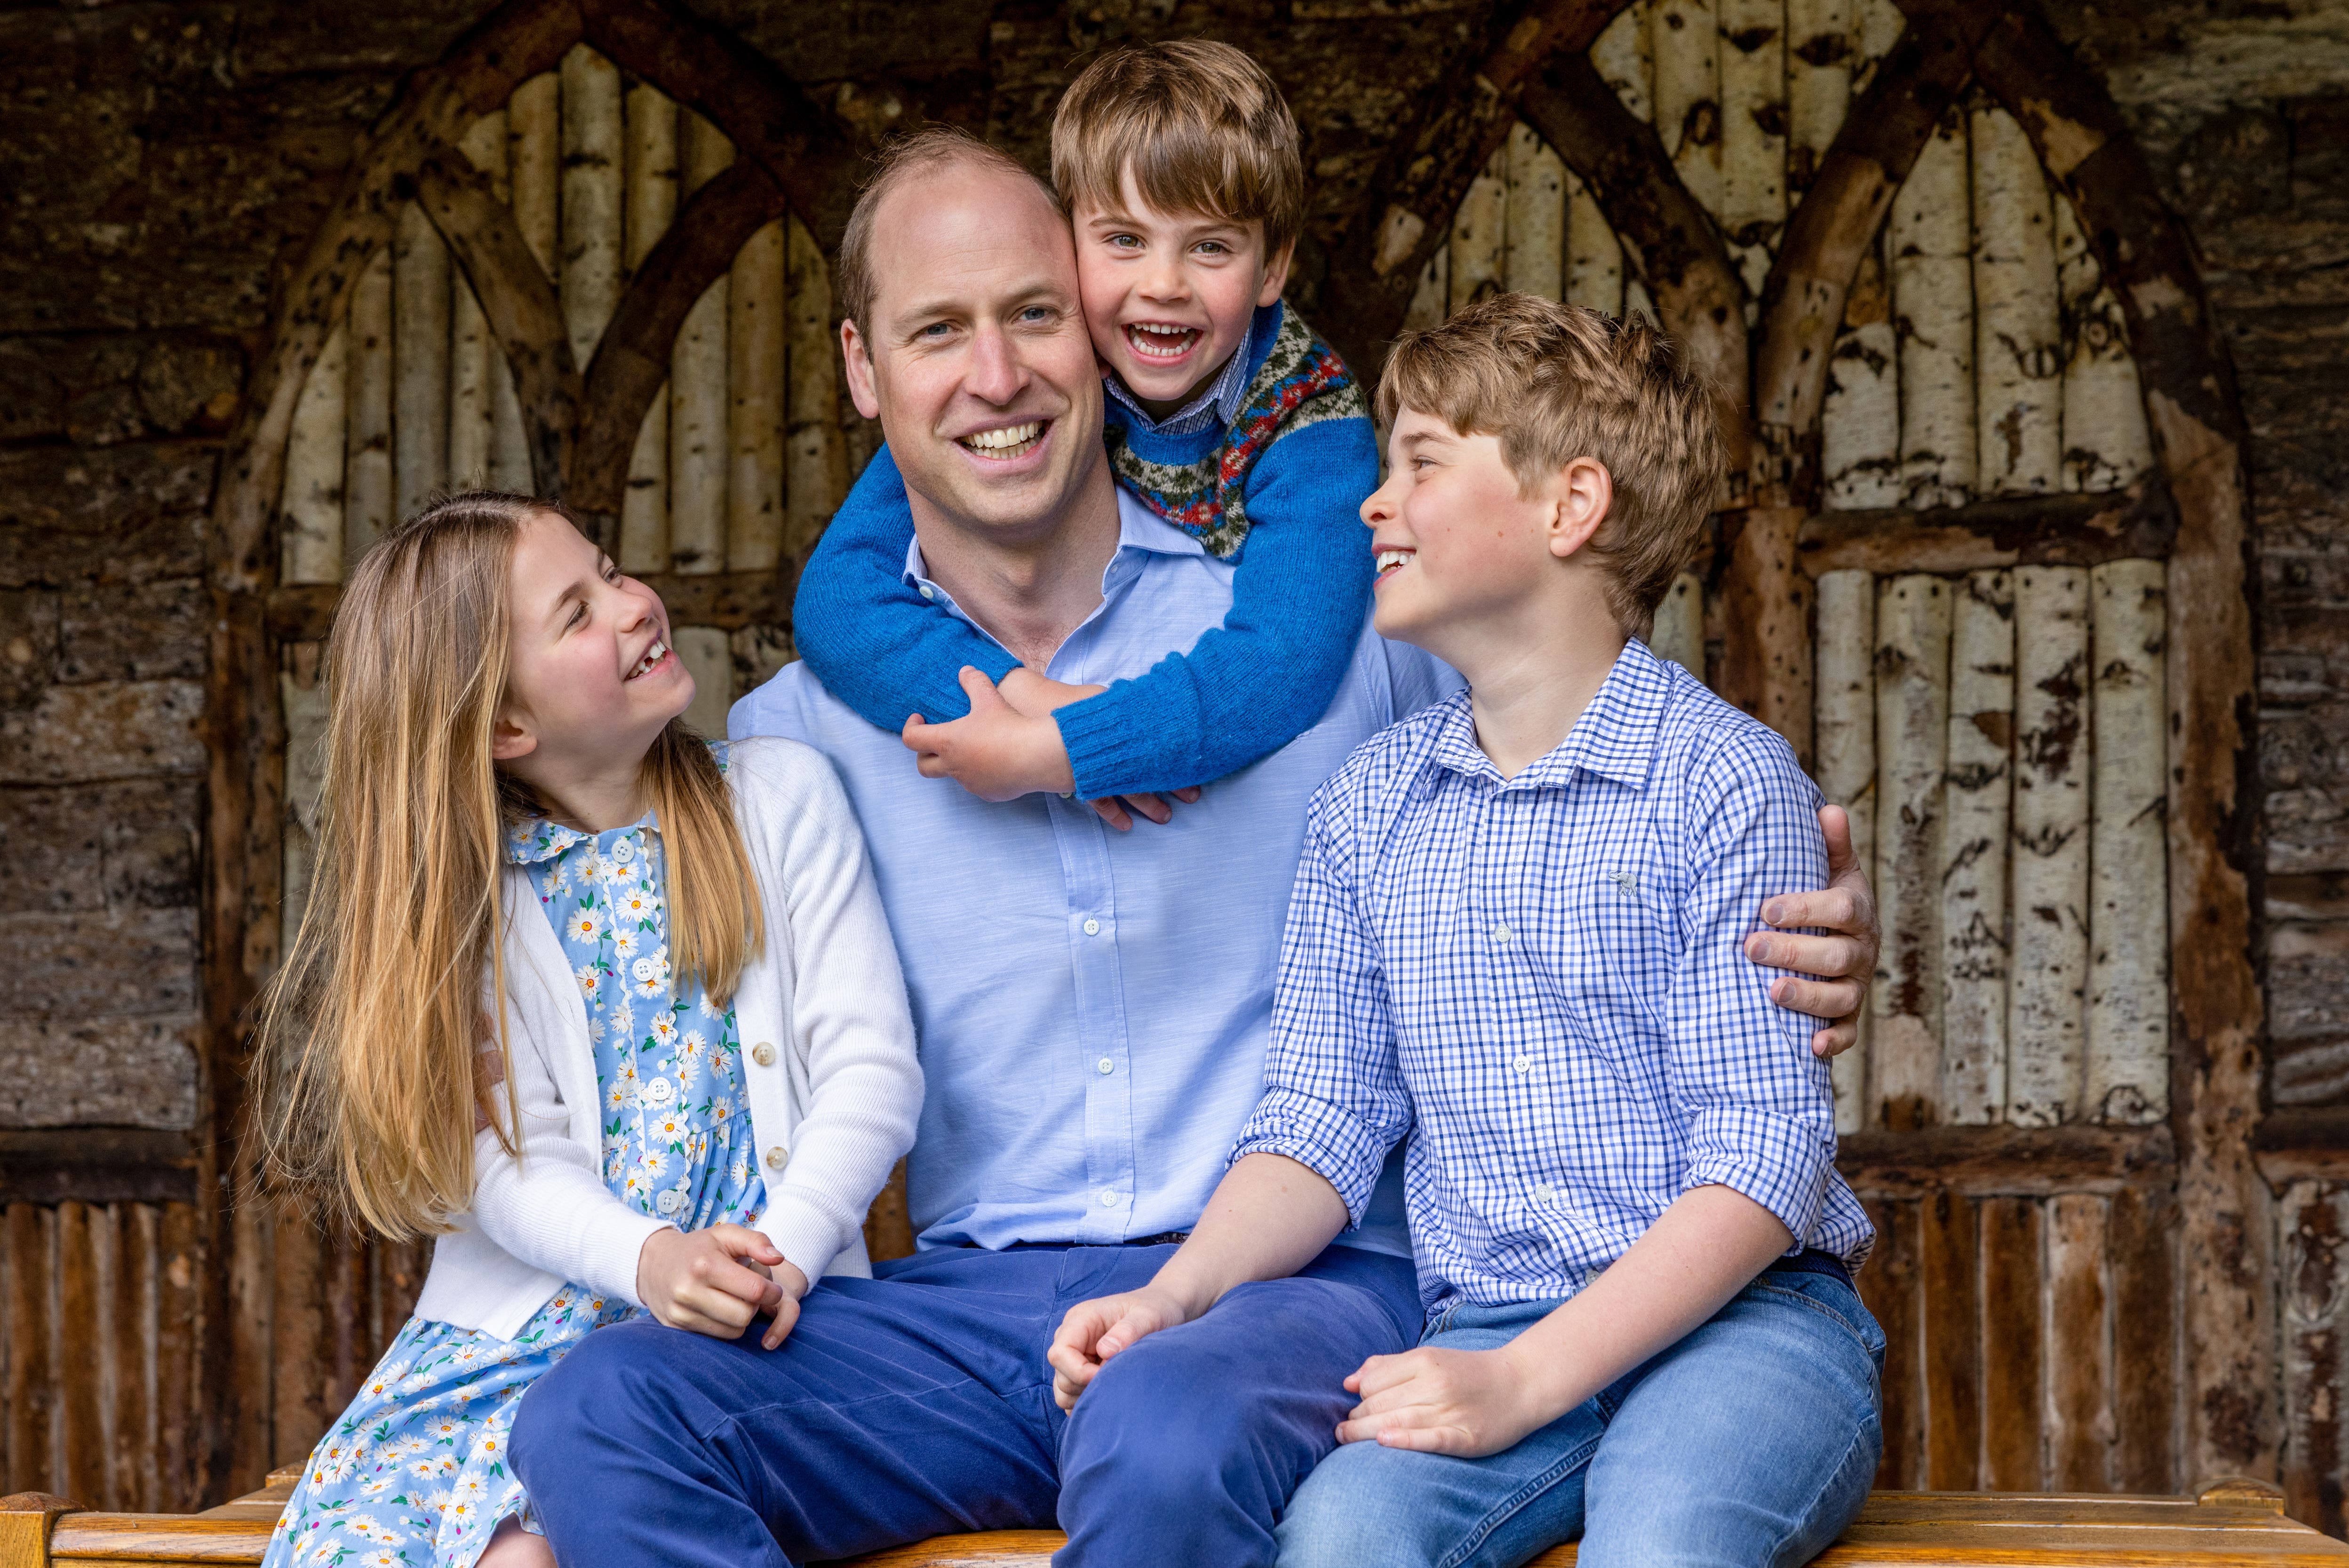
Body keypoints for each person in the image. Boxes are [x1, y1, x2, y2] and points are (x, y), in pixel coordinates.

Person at [508, 134, 1882, 1568]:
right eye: (937, 332)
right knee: (599, 1412)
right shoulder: (804, 740)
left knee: (1168, 1430)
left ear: (1102, 334)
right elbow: (561, 916)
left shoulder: (1325, 643)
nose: (997, 375)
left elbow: (1577, 716)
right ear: (865, 370)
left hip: (1300, 1292)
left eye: (1036, 314)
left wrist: (1804, 916)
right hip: (980, 1308)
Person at [1048, 295, 1883, 1568]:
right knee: (1341, 1538)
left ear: (1571, 505)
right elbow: (1318, 1125)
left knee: (1662, 1546)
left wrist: (1527, 1382)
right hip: (1488, 1317)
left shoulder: (1722, 780)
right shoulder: (1371, 806)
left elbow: (1764, 1157)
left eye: (1422, 463)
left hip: (1747, 1324)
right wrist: (1176, 1291)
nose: (1374, 503)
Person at [249, 492, 921, 1568]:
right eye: (576, 612)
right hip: (513, 1346)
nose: (632, 602)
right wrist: (646, 1258)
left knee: (536, 1553)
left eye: (610, 569)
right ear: (509, 725)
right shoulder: (479, 901)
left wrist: (782, 1255)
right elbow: (506, 1161)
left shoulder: (778, 799)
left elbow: (872, 1070)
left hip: (750, 1332)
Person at [792, 40, 1374, 816]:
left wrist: (1072, 748)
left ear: (1272, 270)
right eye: (1125, 241)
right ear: (1070, 245)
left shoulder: (1314, 420)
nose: (1162, 286)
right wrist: (1018, 696)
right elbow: (836, 600)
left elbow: (1286, 662)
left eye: (1209, 247)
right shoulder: (1063, 367)